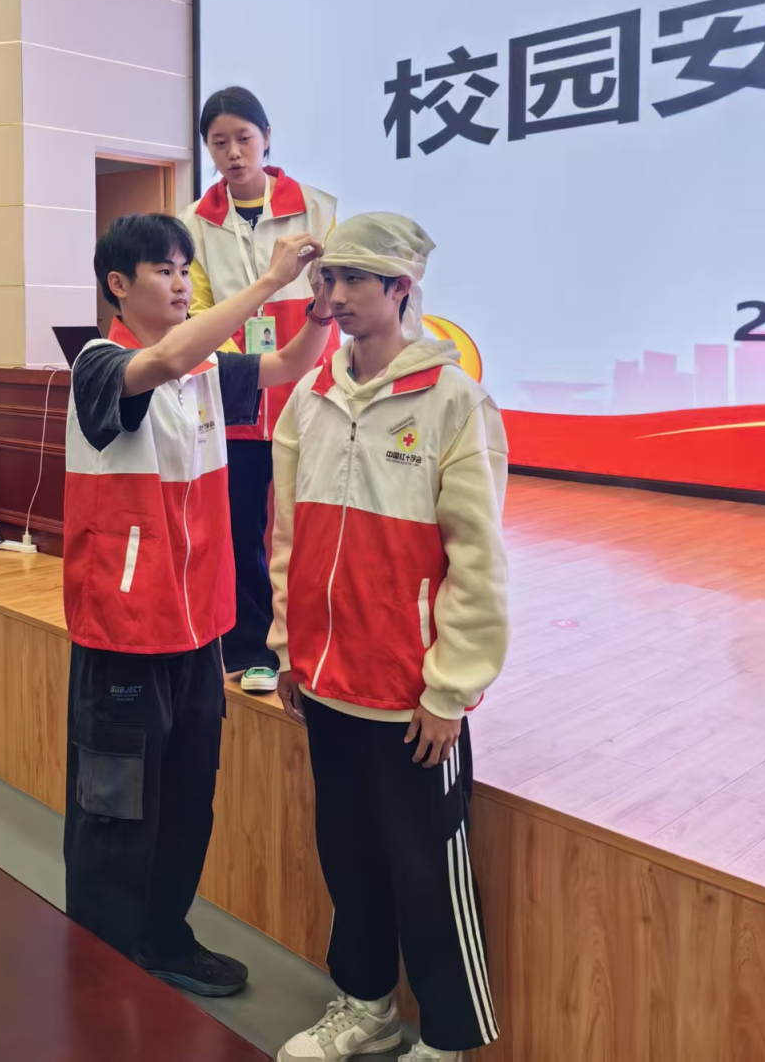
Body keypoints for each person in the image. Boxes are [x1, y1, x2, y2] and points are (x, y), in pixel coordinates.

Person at [63, 211, 332, 998]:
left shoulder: (205, 368)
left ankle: (164, 938)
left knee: (187, 799)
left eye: (186, 269)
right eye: (165, 270)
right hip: (124, 633)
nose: (182, 284)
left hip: (198, 631)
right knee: (116, 808)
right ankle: (102, 966)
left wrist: (318, 310)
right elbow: (169, 355)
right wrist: (271, 281)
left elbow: (289, 363)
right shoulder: (101, 364)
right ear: (119, 284)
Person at [268, 213, 510, 1062]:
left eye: (351, 280)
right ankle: (366, 1006)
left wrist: (451, 687)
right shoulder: (310, 398)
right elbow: (288, 536)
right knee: (349, 858)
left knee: (427, 872)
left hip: (411, 698)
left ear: (401, 287)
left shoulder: (454, 402)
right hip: (327, 682)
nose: (332, 295)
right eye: (326, 278)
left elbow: (478, 558)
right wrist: (289, 645)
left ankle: (447, 1038)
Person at [180, 87, 337, 694]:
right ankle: (251, 646)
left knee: (300, 528)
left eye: (244, 138)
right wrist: (237, 368)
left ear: (266, 138)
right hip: (237, 398)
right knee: (241, 527)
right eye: (219, 142)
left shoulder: (316, 208)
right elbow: (196, 313)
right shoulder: (195, 223)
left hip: (308, 391)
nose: (233, 153)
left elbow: (338, 292)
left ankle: (306, 643)